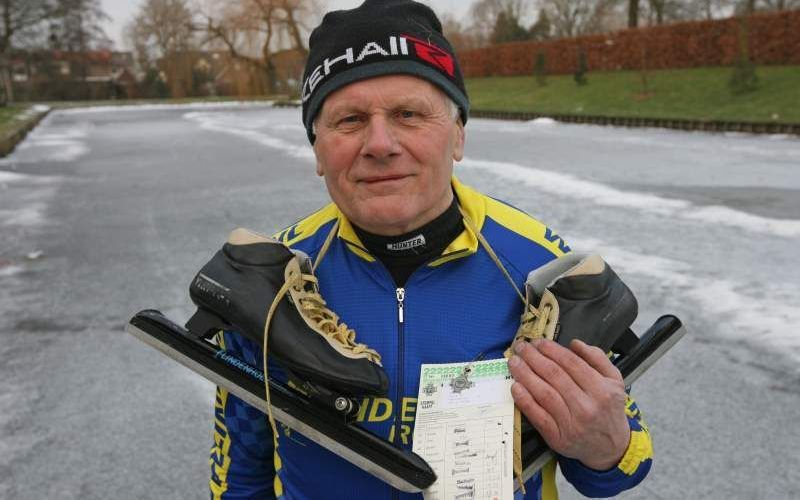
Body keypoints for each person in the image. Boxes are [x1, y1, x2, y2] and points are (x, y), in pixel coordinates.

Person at [209, 1, 652, 498]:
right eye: (349, 120)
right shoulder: (272, 280)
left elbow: (619, 469)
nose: (380, 144)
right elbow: (238, 474)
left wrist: (605, 443)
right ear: (317, 148)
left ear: (458, 134)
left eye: (408, 114)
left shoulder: (539, 267)